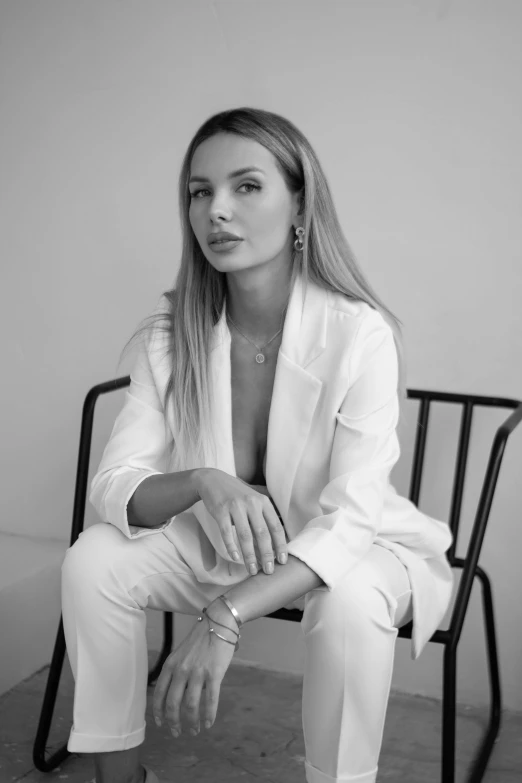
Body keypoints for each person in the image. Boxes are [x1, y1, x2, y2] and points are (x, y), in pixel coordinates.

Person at [61, 107, 454, 783]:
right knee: (94, 558)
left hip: (351, 547)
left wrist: (226, 613)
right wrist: (203, 480)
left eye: (246, 186)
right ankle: (118, 776)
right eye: (199, 191)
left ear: (300, 206)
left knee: (352, 599)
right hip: (222, 545)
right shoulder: (172, 334)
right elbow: (113, 486)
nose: (217, 210)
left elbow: (349, 522)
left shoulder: (359, 334)